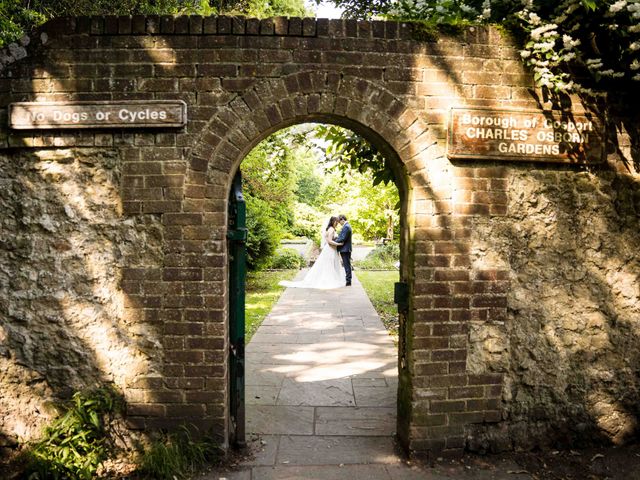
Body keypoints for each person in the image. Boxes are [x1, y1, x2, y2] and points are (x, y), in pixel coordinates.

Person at [279, 216, 345, 289]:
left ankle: (328, 279)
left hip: (330, 249)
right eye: (336, 222)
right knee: (329, 265)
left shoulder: (329, 229)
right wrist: (338, 244)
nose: (337, 224)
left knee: (328, 265)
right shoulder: (331, 229)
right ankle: (328, 280)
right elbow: (329, 241)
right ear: (333, 222)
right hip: (330, 249)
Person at [334, 214, 353, 286]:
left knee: (347, 265)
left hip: (345, 249)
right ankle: (348, 280)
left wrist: (333, 242)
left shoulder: (346, 227)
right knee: (346, 265)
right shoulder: (346, 226)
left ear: (342, 219)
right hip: (345, 249)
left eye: (339, 222)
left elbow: (343, 238)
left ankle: (348, 281)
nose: (339, 223)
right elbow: (342, 237)